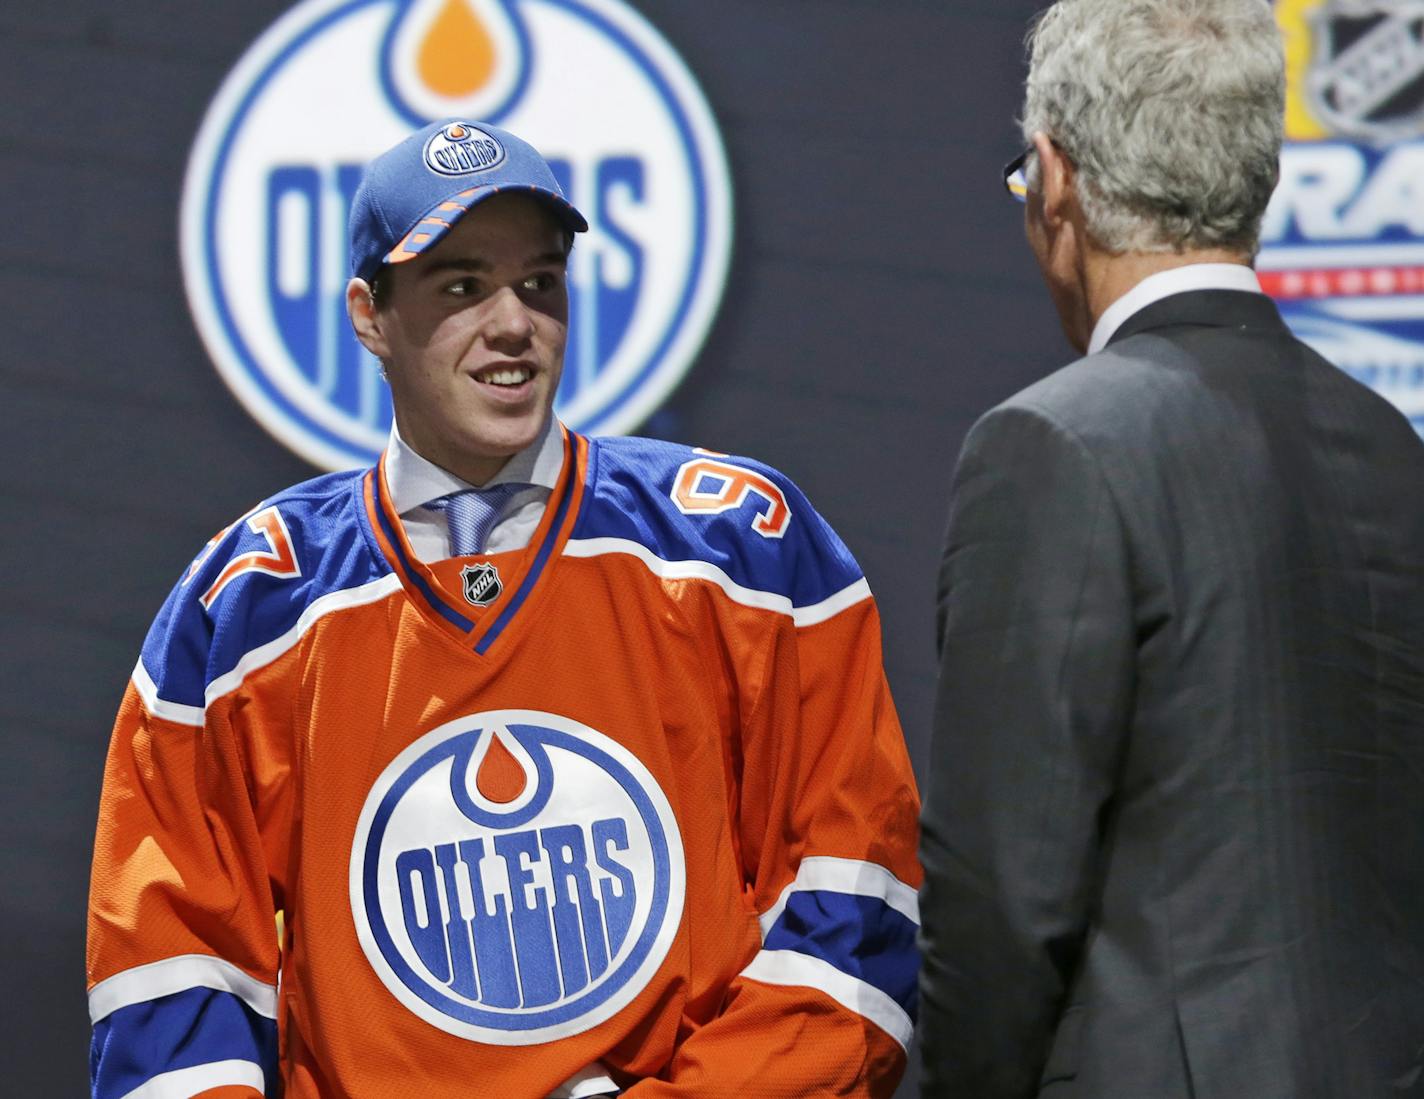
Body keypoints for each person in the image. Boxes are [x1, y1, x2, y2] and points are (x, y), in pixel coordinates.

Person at [87, 120, 921, 1099]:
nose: (514, 322)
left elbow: (854, 909)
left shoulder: (743, 551)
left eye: (539, 281)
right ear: (368, 314)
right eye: (460, 285)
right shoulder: (247, 608)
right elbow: (169, 978)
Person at [917, 2, 1424, 1097]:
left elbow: (1004, 895)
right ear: (1262, 181)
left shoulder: (1048, 445)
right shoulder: (1390, 448)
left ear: (1053, 179)